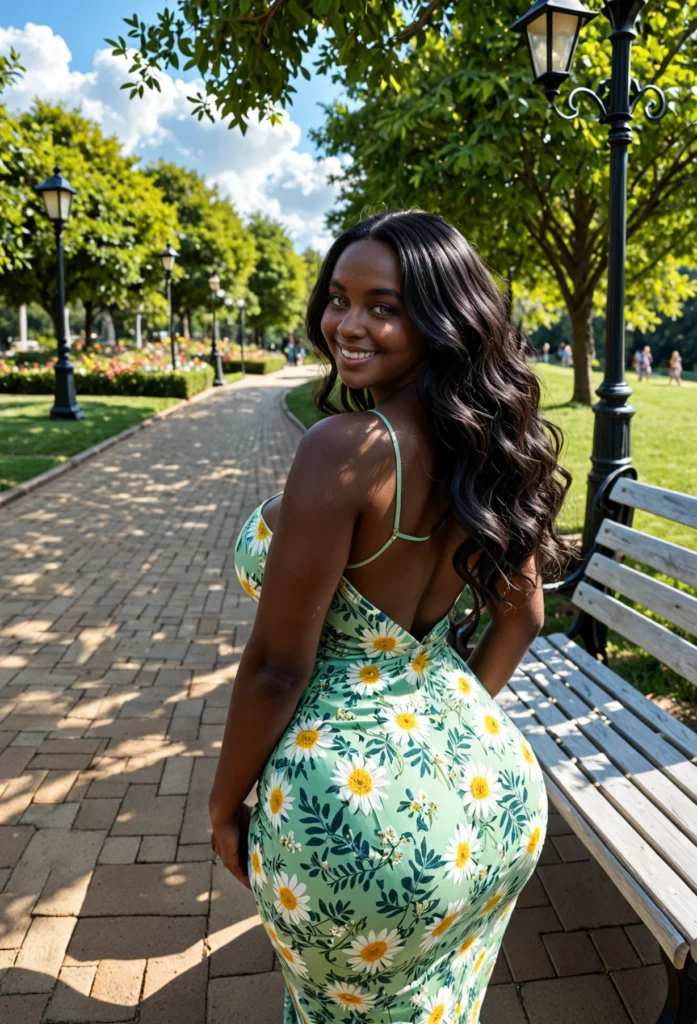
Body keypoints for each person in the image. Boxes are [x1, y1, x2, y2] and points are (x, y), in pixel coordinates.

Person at [209, 210, 574, 1024]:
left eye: (385, 305)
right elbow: (522, 620)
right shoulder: (489, 445)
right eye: (339, 297)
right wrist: (447, 729)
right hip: (490, 796)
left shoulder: (347, 449)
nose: (348, 322)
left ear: (442, 318)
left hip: (357, 821)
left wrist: (222, 807)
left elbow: (277, 668)